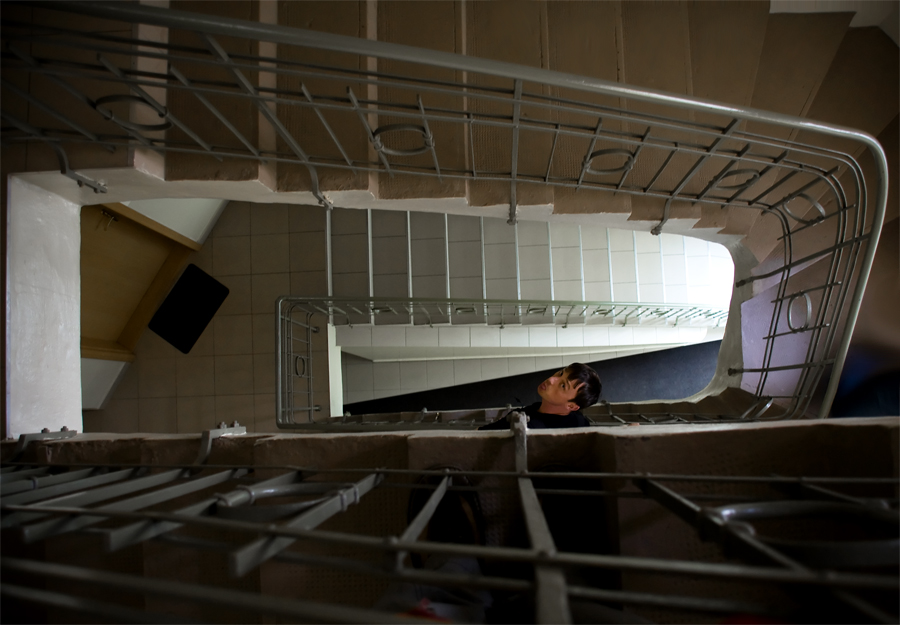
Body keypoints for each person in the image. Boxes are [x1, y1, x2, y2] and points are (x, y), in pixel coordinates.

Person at [479, 362, 602, 430]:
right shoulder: (581, 422)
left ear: (572, 406)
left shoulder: (529, 427)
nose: (552, 380)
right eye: (560, 373)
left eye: (563, 385)